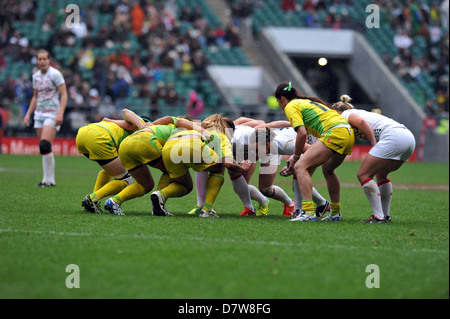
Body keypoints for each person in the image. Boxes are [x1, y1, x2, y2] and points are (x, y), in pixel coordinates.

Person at [275, 81, 355, 221]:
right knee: (328, 169)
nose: (279, 105)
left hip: (335, 132)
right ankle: (335, 213)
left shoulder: (291, 106)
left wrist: (295, 159)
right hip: (347, 132)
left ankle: (308, 212)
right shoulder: (305, 102)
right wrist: (296, 158)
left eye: (278, 101)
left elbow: (301, 134)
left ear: (282, 98)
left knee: (300, 167)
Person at [331, 95, 416, 223]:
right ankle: (385, 216)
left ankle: (378, 216)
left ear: (336, 112)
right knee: (381, 174)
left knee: (363, 174)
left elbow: (362, 123)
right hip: (408, 138)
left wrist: (373, 143)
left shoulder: (345, 115)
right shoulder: (356, 114)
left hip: (394, 137)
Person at [103, 116, 209, 216]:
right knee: (183, 182)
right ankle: (159, 204)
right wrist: (203, 131)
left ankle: (114, 201)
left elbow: (165, 119)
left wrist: (151, 124)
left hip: (125, 145)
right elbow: (176, 120)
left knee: (146, 185)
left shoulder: (161, 126)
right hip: (145, 140)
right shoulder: (179, 128)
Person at [162, 114, 251, 217]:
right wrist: (243, 167)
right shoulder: (221, 135)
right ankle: (206, 210)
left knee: (183, 180)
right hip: (192, 149)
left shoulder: (195, 128)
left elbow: (176, 121)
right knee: (219, 167)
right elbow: (228, 163)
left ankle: (160, 195)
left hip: (169, 149)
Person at [242, 118, 331, 218]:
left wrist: (293, 161)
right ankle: (319, 204)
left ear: (266, 144)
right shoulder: (257, 135)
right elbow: (270, 124)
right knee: (265, 189)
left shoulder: (285, 144)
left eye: (257, 150)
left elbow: (311, 151)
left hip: (311, 145)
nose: (255, 154)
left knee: (298, 174)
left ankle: (299, 211)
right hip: (272, 149)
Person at [76, 108, 151, 214]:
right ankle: (93, 198)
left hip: (83, 133)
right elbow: (126, 111)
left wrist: (112, 120)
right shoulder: (142, 125)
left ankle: (93, 201)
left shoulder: (123, 127)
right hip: (100, 137)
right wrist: (142, 124)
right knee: (125, 180)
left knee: (111, 170)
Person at [23, 49, 68, 187]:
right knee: (44, 148)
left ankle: (47, 180)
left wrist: (60, 113)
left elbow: (64, 94)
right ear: (37, 61)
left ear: (49, 60)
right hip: (39, 114)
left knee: (44, 144)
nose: (42, 61)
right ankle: (48, 180)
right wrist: (28, 113)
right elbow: (36, 96)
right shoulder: (35, 76)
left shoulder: (55, 74)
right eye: (39, 59)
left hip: (52, 114)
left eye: (44, 59)